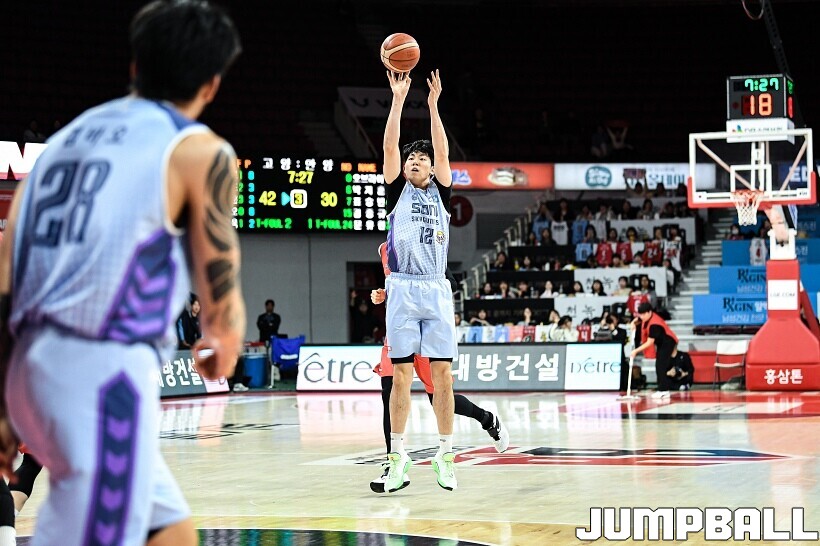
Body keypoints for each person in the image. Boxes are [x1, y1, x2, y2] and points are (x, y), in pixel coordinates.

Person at [0, 3, 244, 544]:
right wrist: (222, 341)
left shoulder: (60, 146)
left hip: (27, 368)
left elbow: (6, 274)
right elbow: (219, 284)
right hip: (99, 375)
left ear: (135, 66)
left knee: (171, 531)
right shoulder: (198, 150)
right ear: (211, 83)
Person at [369, 244, 508, 493]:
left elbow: (451, 283)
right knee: (388, 390)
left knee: (440, 399)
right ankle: (394, 463)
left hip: (426, 330)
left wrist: (422, 292)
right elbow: (394, 287)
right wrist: (385, 294)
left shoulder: (428, 246)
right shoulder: (385, 249)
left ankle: (487, 419)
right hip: (400, 328)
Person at [381, 68, 457, 492]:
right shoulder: (397, 190)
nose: (415, 161)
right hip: (404, 287)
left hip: (436, 285)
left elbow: (443, 152)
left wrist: (432, 105)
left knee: (443, 375)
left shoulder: (441, 191)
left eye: (422, 158)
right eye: (412, 158)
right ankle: (398, 457)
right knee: (401, 375)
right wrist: (398, 100)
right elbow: (390, 145)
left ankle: (445, 454)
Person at [630, 302, 679, 398]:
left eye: (643, 314)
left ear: (649, 312)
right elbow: (638, 319)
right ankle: (662, 388)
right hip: (661, 342)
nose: (642, 317)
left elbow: (649, 342)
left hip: (668, 342)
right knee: (659, 364)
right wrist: (633, 323)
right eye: (640, 314)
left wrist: (636, 351)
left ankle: (664, 390)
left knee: (660, 364)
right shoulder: (645, 316)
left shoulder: (654, 325)